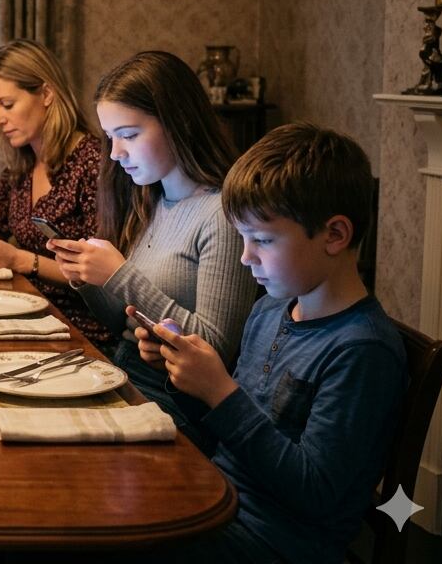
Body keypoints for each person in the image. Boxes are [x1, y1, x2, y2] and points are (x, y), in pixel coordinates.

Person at [135, 123, 406, 563]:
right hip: (219, 506)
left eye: (262, 239)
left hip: (277, 543)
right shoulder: (268, 311)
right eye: (243, 237)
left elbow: (315, 491)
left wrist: (220, 392)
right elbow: (229, 437)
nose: (246, 257)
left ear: (335, 235)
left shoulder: (362, 351)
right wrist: (179, 373)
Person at [48, 50, 252, 448]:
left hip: (176, 405)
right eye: (111, 138)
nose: (114, 153)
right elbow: (123, 326)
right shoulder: (155, 200)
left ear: (179, 122)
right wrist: (88, 280)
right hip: (124, 373)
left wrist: (120, 275)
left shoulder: (220, 213)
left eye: (128, 135)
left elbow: (215, 350)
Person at [0, 39, 113, 348]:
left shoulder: (92, 162)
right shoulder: (22, 162)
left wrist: (19, 259)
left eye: (7, 104)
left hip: (78, 329)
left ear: (47, 94)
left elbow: (97, 275)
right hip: (28, 312)